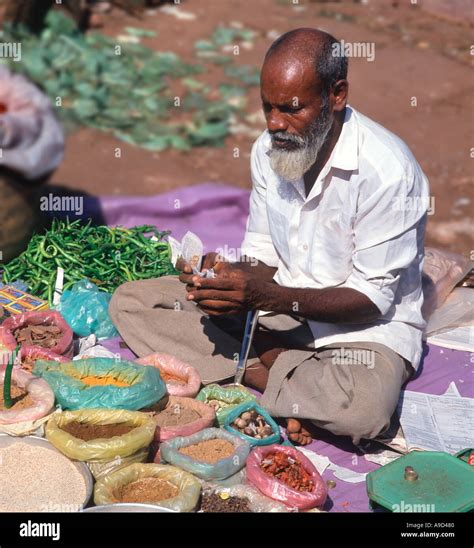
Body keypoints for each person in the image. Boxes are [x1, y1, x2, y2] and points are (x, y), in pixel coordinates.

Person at [110, 28, 429, 446]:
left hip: (361, 331)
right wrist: (225, 277)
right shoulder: (269, 149)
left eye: (291, 109)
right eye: (268, 108)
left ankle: (257, 368)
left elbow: (372, 300)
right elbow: (263, 254)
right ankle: (280, 376)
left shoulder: (387, 171)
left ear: (336, 95)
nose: (276, 124)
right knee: (133, 302)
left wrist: (266, 299)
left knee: (362, 411)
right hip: (278, 316)